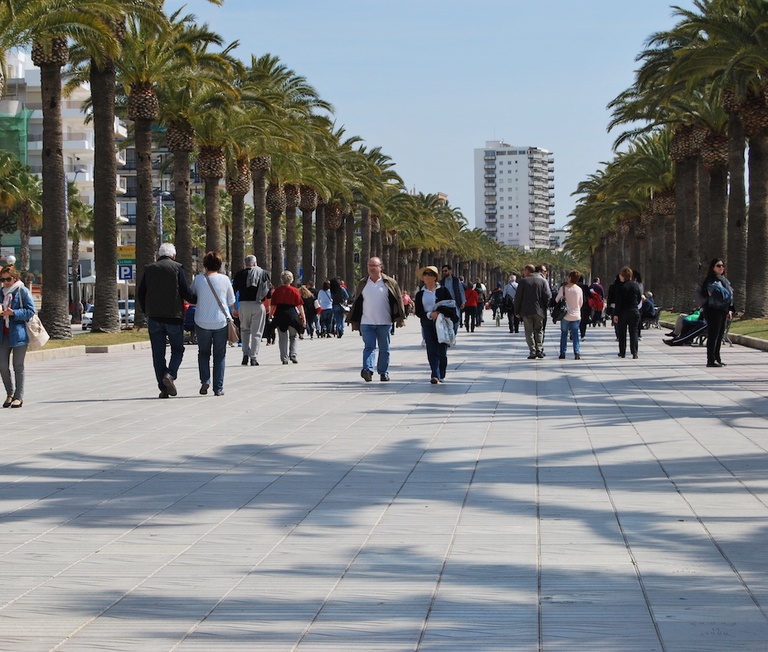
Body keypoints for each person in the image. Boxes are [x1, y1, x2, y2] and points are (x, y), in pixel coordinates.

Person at [137, 242, 196, 399]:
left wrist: (146, 310)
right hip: (174, 317)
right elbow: (185, 291)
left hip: (154, 318)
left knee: (158, 354)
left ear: (159, 255)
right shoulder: (178, 268)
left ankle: (163, 388)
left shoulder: (149, 269)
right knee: (178, 349)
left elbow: (141, 293)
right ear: (173, 255)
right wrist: (196, 300)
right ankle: (170, 375)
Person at [349, 256, 405, 382]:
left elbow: (398, 300)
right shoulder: (363, 283)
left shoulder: (389, 283)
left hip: (384, 322)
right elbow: (357, 302)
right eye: (369, 265)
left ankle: (383, 372)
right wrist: (354, 321)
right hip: (366, 322)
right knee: (369, 347)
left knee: (384, 348)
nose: (371, 268)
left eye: (374, 266)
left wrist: (400, 318)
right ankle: (367, 370)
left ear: (381, 267)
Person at [191, 251, 235, 396]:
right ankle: (218, 388)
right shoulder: (225, 279)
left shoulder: (198, 279)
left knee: (203, 353)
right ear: (219, 264)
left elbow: (192, 297)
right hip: (220, 321)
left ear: (205, 264)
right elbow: (231, 301)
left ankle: (205, 380)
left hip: (202, 320)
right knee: (219, 355)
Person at [415, 266, 459, 384]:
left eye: (430, 274)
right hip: (428, 323)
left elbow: (451, 305)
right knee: (431, 348)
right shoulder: (420, 294)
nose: (427, 276)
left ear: (435, 277)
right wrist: (430, 314)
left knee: (442, 350)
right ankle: (435, 373)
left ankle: (441, 373)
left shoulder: (443, 290)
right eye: (425, 274)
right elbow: (418, 311)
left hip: (442, 323)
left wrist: (440, 312)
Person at [0, 265, 36, 408]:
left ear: (15, 278)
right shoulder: (1, 292)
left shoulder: (22, 291)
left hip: (19, 333)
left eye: (8, 279)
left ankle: (18, 397)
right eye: (2, 279)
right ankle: (10, 393)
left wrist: (13, 313)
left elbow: (30, 311)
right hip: (3, 335)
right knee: (2, 366)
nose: (5, 282)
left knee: (18, 366)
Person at [232, 255, 271, 366]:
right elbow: (268, 292)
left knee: (244, 330)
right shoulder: (263, 273)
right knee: (256, 333)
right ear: (255, 263)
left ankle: (245, 354)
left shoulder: (240, 274)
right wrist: (268, 306)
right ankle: (253, 357)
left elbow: (233, 292)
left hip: (243, 304)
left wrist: (234, 307)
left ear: (246, 264)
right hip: (258, 304)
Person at [700, 258, 734, 368]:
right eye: (718, 265)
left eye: (722, 265)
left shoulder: (724, 280)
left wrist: (729, 310)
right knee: (713, 336)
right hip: (713, 310)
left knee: (720, 335)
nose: (721, 268)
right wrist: (709, 292)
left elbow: (729, 297)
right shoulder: (710, 279)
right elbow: (703, 293)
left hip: (723, 310)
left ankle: (717, 358)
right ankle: (710, 360)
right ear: (713, 267)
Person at [514, 264, 551, 359]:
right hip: (539, 310)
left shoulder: (523, 281)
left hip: (526, 311)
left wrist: (517, 311)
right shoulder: (543, 281)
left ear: (527, 271)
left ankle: (532, 351)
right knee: (539, 330)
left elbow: (518, 298)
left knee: (529, 331)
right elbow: (548, 295)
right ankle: (539, 349)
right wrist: (545, 306)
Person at [270, 270, 306, 364]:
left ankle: (284, 358)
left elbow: (273, 305)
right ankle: (293, 354)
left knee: (282, 337)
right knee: (293, 336)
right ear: (291, 279)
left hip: (280, 314)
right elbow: (299, 305)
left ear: (282, 279)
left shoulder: (277, 291)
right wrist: (303, 317)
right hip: (292, 314)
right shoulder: (295, 291)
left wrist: (270, 315)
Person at [612, 266, 643, 359]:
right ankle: (634, 352)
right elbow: (638, 298)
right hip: (634, 311)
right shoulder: (636, 285)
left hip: (623, 312)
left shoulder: (620, 287)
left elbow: (618, 302)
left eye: (621, 275)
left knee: (622, 333)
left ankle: (622, 352)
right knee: (634, 332)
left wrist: (616, 314)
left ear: (623, 276)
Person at [555, 270, 584, 360]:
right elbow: (581, 303)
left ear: (570, 278)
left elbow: (557, 300)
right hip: (576, 315)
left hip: (565, 315)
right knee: (575, 334)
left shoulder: (563, 288)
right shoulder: (579, 289)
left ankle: (562, 353)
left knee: (564, 334)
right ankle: (577, 352)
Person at [440, 265, 466, 333]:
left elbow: (461, 291)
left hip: (455, 303)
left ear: (450, 271)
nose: (444, 273)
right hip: (445, 304)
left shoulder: (456, 280)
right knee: (446, 320)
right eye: (443, 271)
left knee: (456, 320)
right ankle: (448, 334)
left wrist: (463, 301)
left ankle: (453, 333)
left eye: (446, 271)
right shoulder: (442, 282)